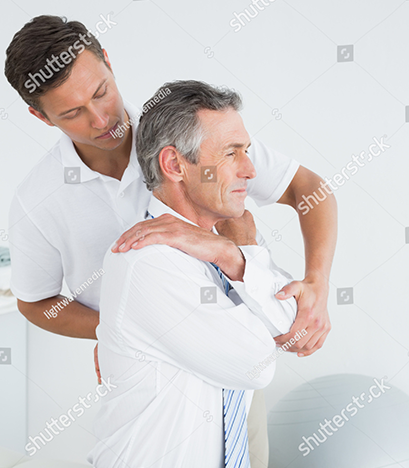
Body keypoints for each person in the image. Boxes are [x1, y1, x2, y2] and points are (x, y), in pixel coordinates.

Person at [5, 15, 336, 466]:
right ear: (39, 116)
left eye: (101, 92)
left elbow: (310, 191)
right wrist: (120, 330)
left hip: (232, 352)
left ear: (108, 62)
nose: (102, 119)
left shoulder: (190, 134)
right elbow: (35, 302)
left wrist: (316, 282)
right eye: (72, 112)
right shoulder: (37, 202)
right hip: (152, 382)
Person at [89, 81, 299, 468]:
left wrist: (234, 255)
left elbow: (292, 327)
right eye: (231, 153)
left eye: (247, 151)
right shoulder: (145, 261)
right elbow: (257, 364)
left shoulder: (231, 240)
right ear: (174, 165)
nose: (250, 170)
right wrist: (238, 256)